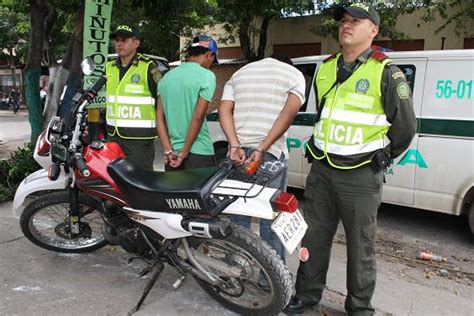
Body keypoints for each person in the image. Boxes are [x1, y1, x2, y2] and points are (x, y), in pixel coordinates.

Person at [285, 4, 417, 315]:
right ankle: (306, 296)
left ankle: (359, 307)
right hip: (322, 170)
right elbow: (325, 114)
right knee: (314, 239)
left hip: (360, 175)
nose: (347, 25)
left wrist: (383, 157)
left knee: (361, 247)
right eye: (344, 20)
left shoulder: (386, 71)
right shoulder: (326, 67)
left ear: (373, 31)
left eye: (356, 21)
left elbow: (406, 127)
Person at [218, 54, 306, 260]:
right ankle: (270, 278)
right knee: (272, 216)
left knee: (238, 213)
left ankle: (238, 265)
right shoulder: (294, 74)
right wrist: (262, 148)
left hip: (238, 154)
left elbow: (224, 108)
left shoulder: (240, 73)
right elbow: (289, 112)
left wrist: (234, 144)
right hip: (270, 155)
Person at [156, 35, 218, 171]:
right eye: (213, 59)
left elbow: (159, 118)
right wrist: (184, 153)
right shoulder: (207, 75)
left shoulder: (166, 77)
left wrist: (168, 150)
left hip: (172, 154)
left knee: (174, 192)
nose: (211, 64)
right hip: (199, 152)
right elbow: (198, 116)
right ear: (209, 54)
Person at [105, 24, 162, 171]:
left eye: (123, 40)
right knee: (113, 179)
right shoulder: (109, 67)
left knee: (141, 181)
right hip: (113, 137)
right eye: (116, 40)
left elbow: (162, 99)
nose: (118, 44)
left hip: (139, 141)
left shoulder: (148, 67)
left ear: (136, 43)